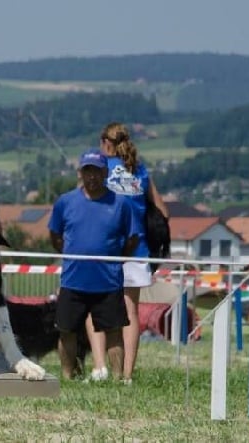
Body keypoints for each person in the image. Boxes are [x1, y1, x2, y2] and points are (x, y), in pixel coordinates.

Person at [85, 122, 170, 384]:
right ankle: (127, 375)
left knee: (94, 308)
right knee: (131, 312)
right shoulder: (141, 171)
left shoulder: (100, 169)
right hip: (138, 251)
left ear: (105, 143)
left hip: (105, 249)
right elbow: (163, 212)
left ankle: (101, 368)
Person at [48, 149, 139, 381]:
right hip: (73, 280)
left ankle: (118, 379)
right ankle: (68, 376)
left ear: (105, 173)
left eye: (97, 171)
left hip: (108, 282)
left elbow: (132, 239)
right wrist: (70, 254)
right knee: (66, 330)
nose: (92, 177)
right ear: (80, 173)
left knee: (114, 332)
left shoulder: (121, 204)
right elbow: (55, 235)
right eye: (87, 171)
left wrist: (114, 259)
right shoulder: (65, 202)